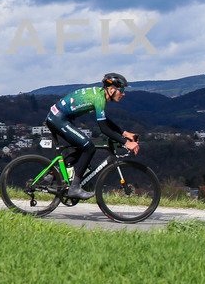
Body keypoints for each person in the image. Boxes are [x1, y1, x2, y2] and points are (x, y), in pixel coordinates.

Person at [46, 72, 140, 200]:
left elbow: (104, 120)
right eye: (121, 90)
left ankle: (53, 174)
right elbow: (103, 128)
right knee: (89, 147)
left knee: (82, 147)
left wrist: (124, 133)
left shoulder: (100, 94)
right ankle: (74, 188)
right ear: (112, 90)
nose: (123, 94)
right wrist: (126, 143)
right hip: (58, 119)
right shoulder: (99, 98)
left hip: (59, 117)